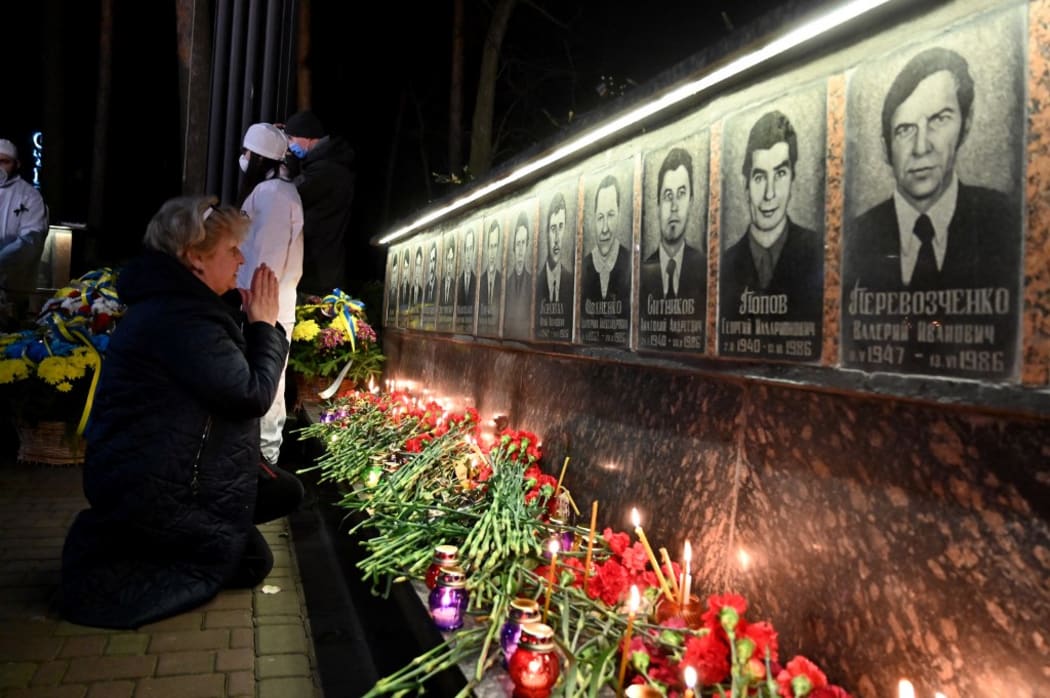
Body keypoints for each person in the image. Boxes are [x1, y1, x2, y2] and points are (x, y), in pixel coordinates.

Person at [60, 195, 303, 629]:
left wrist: (252, 323)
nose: (241, 258)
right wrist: (266, 326)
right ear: (195, 257)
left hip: (155, 470)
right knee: (250, 560)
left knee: (282, 494)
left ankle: (191, 536)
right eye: (232, 249)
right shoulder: (182, 317)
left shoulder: (181, 305)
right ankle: (150, 547)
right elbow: (250, 394)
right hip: (153, 485)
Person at [844, 47, 1019, 293]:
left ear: (966, 124)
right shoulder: (856, 238)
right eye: (905, 129)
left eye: (939, 119)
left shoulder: (1005, 222)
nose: (921, 148)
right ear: (886, 149)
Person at [719, 110, 823, 357]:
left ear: (793, 179)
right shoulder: (724, 264)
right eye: (759, 177)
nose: (769, 194)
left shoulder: (818, 253)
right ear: (745, 185)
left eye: (780, 174)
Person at [237, 122, 304, 470]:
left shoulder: (273, 195)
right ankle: (260, 460)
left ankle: (264, 463)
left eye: (247, 152)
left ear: (259, 157)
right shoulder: (273, 191)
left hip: (265, 308)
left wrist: (254, 306)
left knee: (267, 385)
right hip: (262, 307)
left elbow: (265, 260)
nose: (243, 158)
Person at [282, 110, 356, 299]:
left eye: (291, 138)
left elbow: (289, 194)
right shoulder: (329, 164)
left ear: (307, 137)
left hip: (318, 271)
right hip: (325, 267)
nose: (289, 144)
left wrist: (286, 161)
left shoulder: (325, 171)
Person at [639, 146, 706, 350]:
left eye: (681, 194)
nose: (675, 206)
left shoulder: (705, 269)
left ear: (691, 201)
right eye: (668, 195)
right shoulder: (641, 273)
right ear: (658, 204)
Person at [0, 138, 47, 324]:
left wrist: (2, 260)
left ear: (16, 164)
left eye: (4, 161)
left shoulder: (29, 197)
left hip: (13, 286)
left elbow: (31, 240)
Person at [580, 174, 631, 345]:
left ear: (619, 215)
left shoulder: (631, 263)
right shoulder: (583, 268)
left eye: (610, 215)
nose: (604, 229)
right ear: (593, 219)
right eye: (600, 217)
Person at [535, 192, 574, 341]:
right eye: (553, 229)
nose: (557, 238)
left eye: (561, 227)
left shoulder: (571, 283)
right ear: (546, 233)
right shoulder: (536, 284)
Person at [504, 212, 532, 338]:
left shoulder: (532, 283)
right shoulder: (506, 284)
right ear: (514, 247)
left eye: (523, 243)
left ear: (527, 245)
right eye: (518, 243)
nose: (520, 250)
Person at [479, 220, 502, 331]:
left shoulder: (502, 280)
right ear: (487, 248)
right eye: (491, 246)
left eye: (495, 246)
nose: (493, 252)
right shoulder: (480, 280)